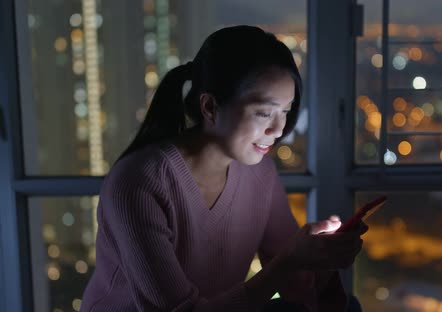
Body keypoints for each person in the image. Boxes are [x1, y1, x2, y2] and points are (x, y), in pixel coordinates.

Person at [80, 25, 366, 312]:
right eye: (264, 113)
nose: (279, 129)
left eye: (286, 111)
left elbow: (295, 286)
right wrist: (291, 260)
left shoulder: (259, 173)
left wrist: (321, 258)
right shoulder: (139, 182)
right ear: (210, 106)